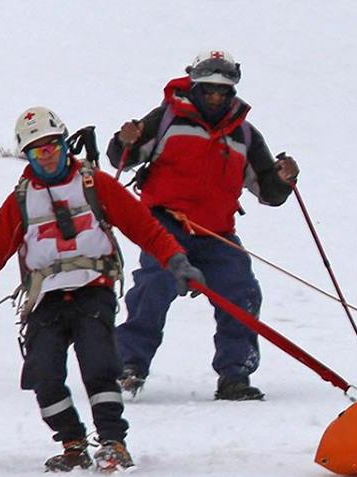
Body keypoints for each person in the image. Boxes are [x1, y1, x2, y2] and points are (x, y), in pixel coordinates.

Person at [0, 107, 200, 472]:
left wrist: (176, 261)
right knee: (43, 375)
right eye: (37, 150)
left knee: (99, 365)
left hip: (92, 288)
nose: (46, 155)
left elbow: (143, 227)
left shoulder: (93, 184)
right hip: (46, 297)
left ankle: (113, 442)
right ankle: (73, 443)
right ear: (27, 156)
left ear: (65, 144)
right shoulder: (20, 200)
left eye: (52, 145)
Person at [105, 50, 299, 401]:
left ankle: (235, 375)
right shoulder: (166, 118)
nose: (215, 96)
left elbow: (268, 192)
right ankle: (128, 365)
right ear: (195, 84)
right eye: (208, 89)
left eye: (222, 91)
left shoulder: (245, 135)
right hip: (165, 224)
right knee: (155, 284)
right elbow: (122, 159)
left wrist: (285, 180)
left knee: (241, 291)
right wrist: (124, 140)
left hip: (217, 232)